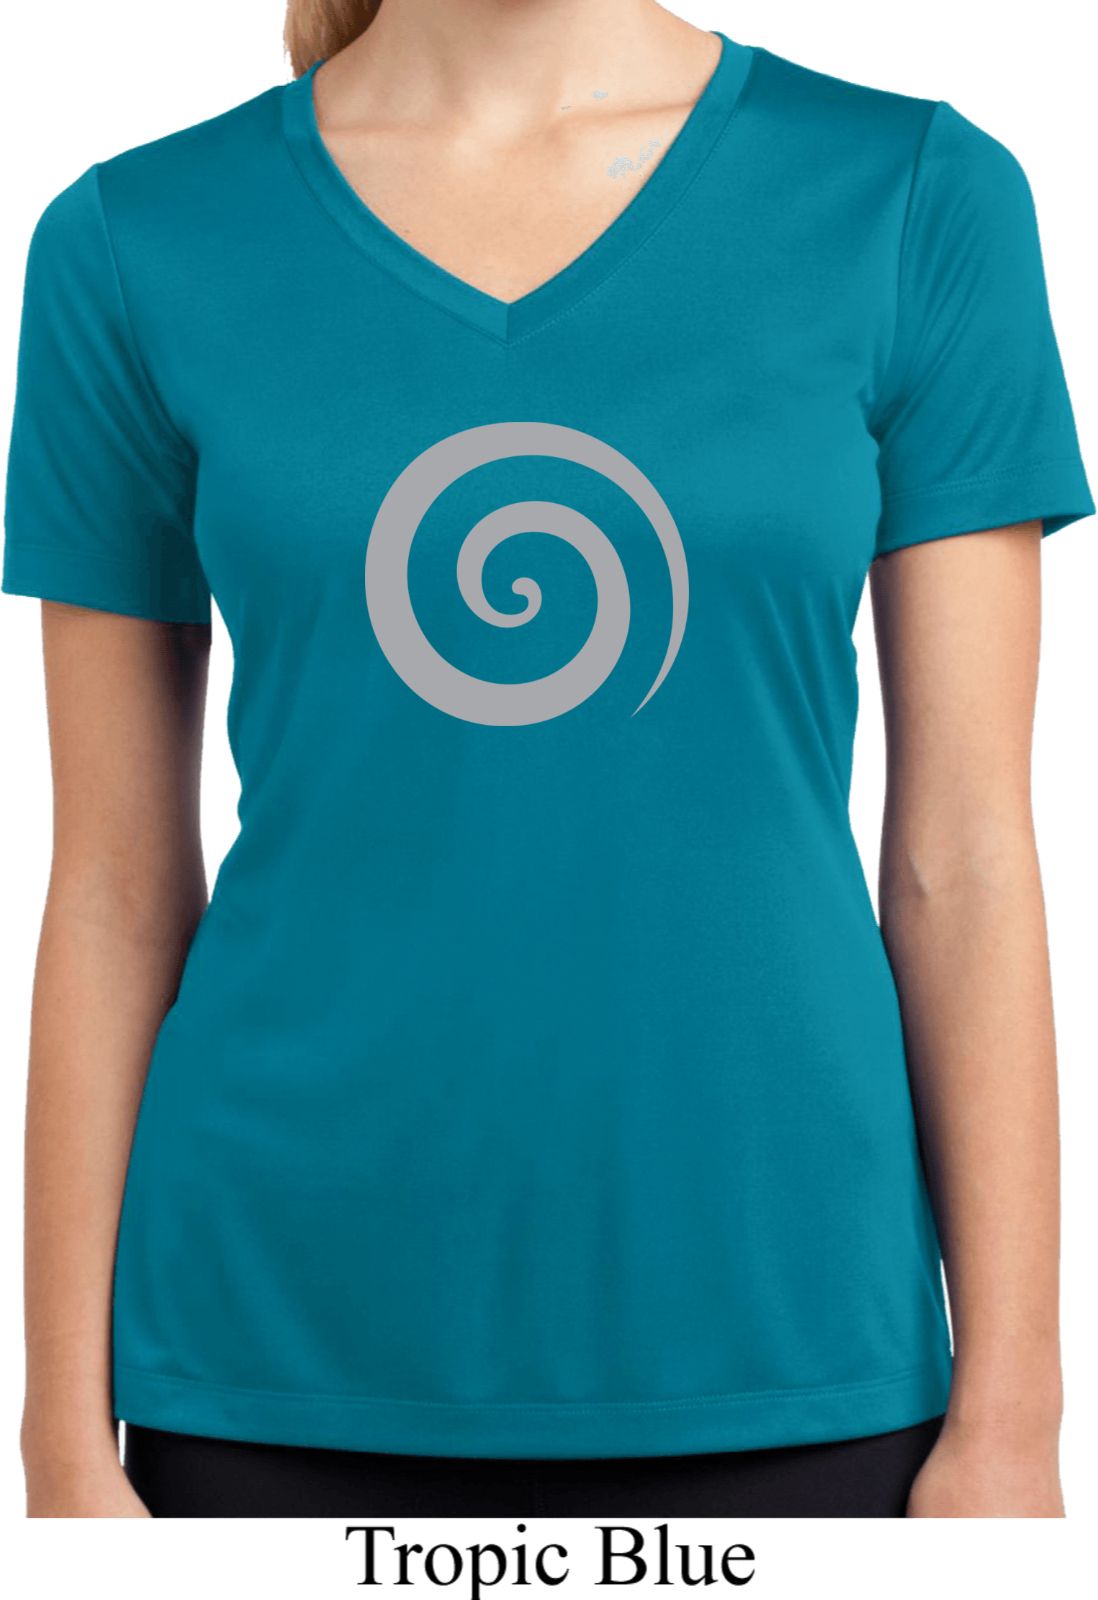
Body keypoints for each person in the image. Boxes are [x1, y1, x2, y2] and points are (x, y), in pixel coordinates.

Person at [6, 0, 1092, 1519]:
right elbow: (113, 889)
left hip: (792, 1343)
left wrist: (1016, 1419)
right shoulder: (136, 240)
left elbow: (962, 859)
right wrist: (60, 1440)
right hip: (270, 1353)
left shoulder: (911, 195)